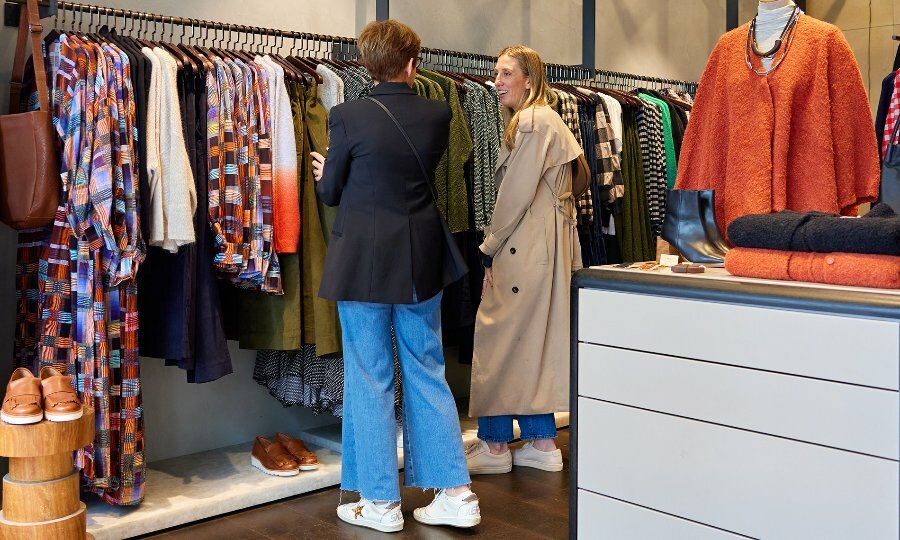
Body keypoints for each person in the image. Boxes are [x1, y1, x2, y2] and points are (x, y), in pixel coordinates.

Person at [310, 19, 480, 533]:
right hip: (419, 259)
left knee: (370, 375)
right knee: (426, 367)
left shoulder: (346, 116)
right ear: (412, 64)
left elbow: (333, 191)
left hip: (362, 259)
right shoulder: (439, 112)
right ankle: (455, 491)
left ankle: (380, 502)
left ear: (366, 64)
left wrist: (324, 174)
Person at [466, 45, 585, 475]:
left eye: (505, 74)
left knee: (496, 338)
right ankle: (541, 441)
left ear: (530, 80)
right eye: (495, 73)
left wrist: (489, 247)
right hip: (546, 250)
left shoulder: (532, 122)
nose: (496, 81)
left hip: (523, 247)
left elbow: (513, 195)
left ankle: (496, 446)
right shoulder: (551, 120)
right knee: (532, 341)